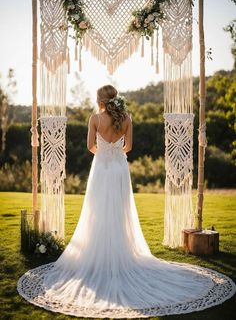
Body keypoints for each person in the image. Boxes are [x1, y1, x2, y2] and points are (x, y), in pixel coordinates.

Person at [17, 84, 235, 318]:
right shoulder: (127, 118)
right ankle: (121, 252)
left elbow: (89, 145)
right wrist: (116, 151)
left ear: (100, 99)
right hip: (120, 168)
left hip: (101, 167)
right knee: (120, 211)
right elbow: (129, 147)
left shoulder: (94, 118)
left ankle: (99, 253)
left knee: (97, 211)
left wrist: (103, 152)